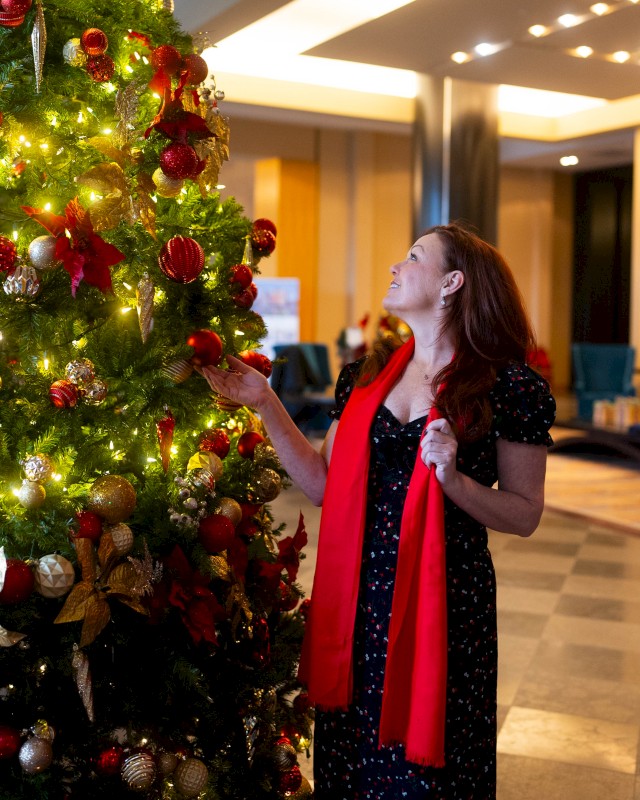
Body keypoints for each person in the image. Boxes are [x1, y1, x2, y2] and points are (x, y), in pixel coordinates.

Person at [199, 222, 556, 799]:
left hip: (446, 604)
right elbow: (320, 483)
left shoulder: (507, 387)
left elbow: (523, 513)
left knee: (433, 768)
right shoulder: (367, 377)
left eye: (413, 257)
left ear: (452, 283)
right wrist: (264, 401)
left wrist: (453, 480)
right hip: (360, 600)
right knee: (354, 763)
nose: (395, 267)